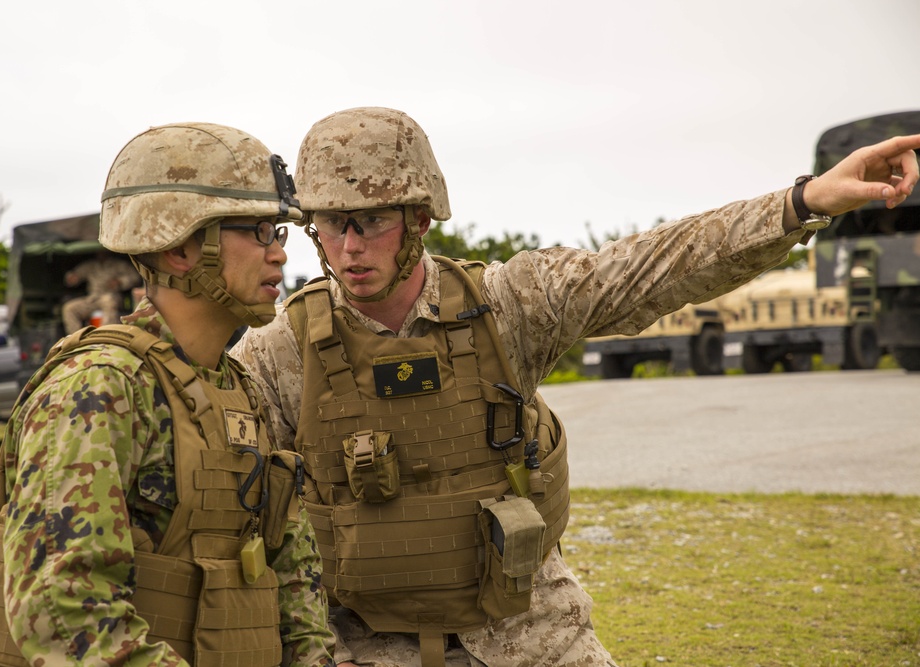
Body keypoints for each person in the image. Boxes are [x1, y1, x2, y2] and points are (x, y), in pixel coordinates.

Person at [230, 107, 920, 667]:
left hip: (531, 637)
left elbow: (652, 266)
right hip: (368, 646)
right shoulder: (277, 352)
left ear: (418, 217)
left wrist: (802, 203)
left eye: (370, 220)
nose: (348, 246)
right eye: (329, 221)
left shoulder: (509, 304)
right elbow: (240, 529)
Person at [0, 123, 336, 666]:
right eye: (257, 231)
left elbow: (292, 579)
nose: (278, 255)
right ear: (182, 247)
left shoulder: (238, 388)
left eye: (278, 233)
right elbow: (63, 609)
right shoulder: (98, 389)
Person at [61, 249, 141, 334]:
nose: (101, 253)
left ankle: (105, 335)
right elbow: (74, 276)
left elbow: (135, 277)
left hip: (111, 296)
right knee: (69, 308)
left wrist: (120, 281)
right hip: (93, 298)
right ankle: (77, 337)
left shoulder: (118, 264)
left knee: (108, 301)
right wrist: (72, 278)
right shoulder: (90, 265)